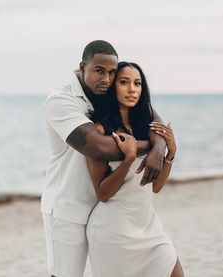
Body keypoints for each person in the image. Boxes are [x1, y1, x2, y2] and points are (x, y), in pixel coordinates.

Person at [41, 40, 166, 277]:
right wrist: (152, 145)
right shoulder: (61, 100)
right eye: (99, 71)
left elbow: (148, 113)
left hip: (106, 210)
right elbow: (98, 148)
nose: (107, 79)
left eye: (111, 73)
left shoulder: (103, 92)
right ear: (82, 66)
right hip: (69, 209)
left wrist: (160, 147)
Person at [86, 61, 184, 276]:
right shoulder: (101, 130)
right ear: (113, 87)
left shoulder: (147, 128)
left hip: (149, 227)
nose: (132, 89)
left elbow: (155, 187)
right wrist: (129, 158)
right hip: (115, 231)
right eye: (124, 82)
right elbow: (102, 193)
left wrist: (170, 153)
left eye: (137, 83)